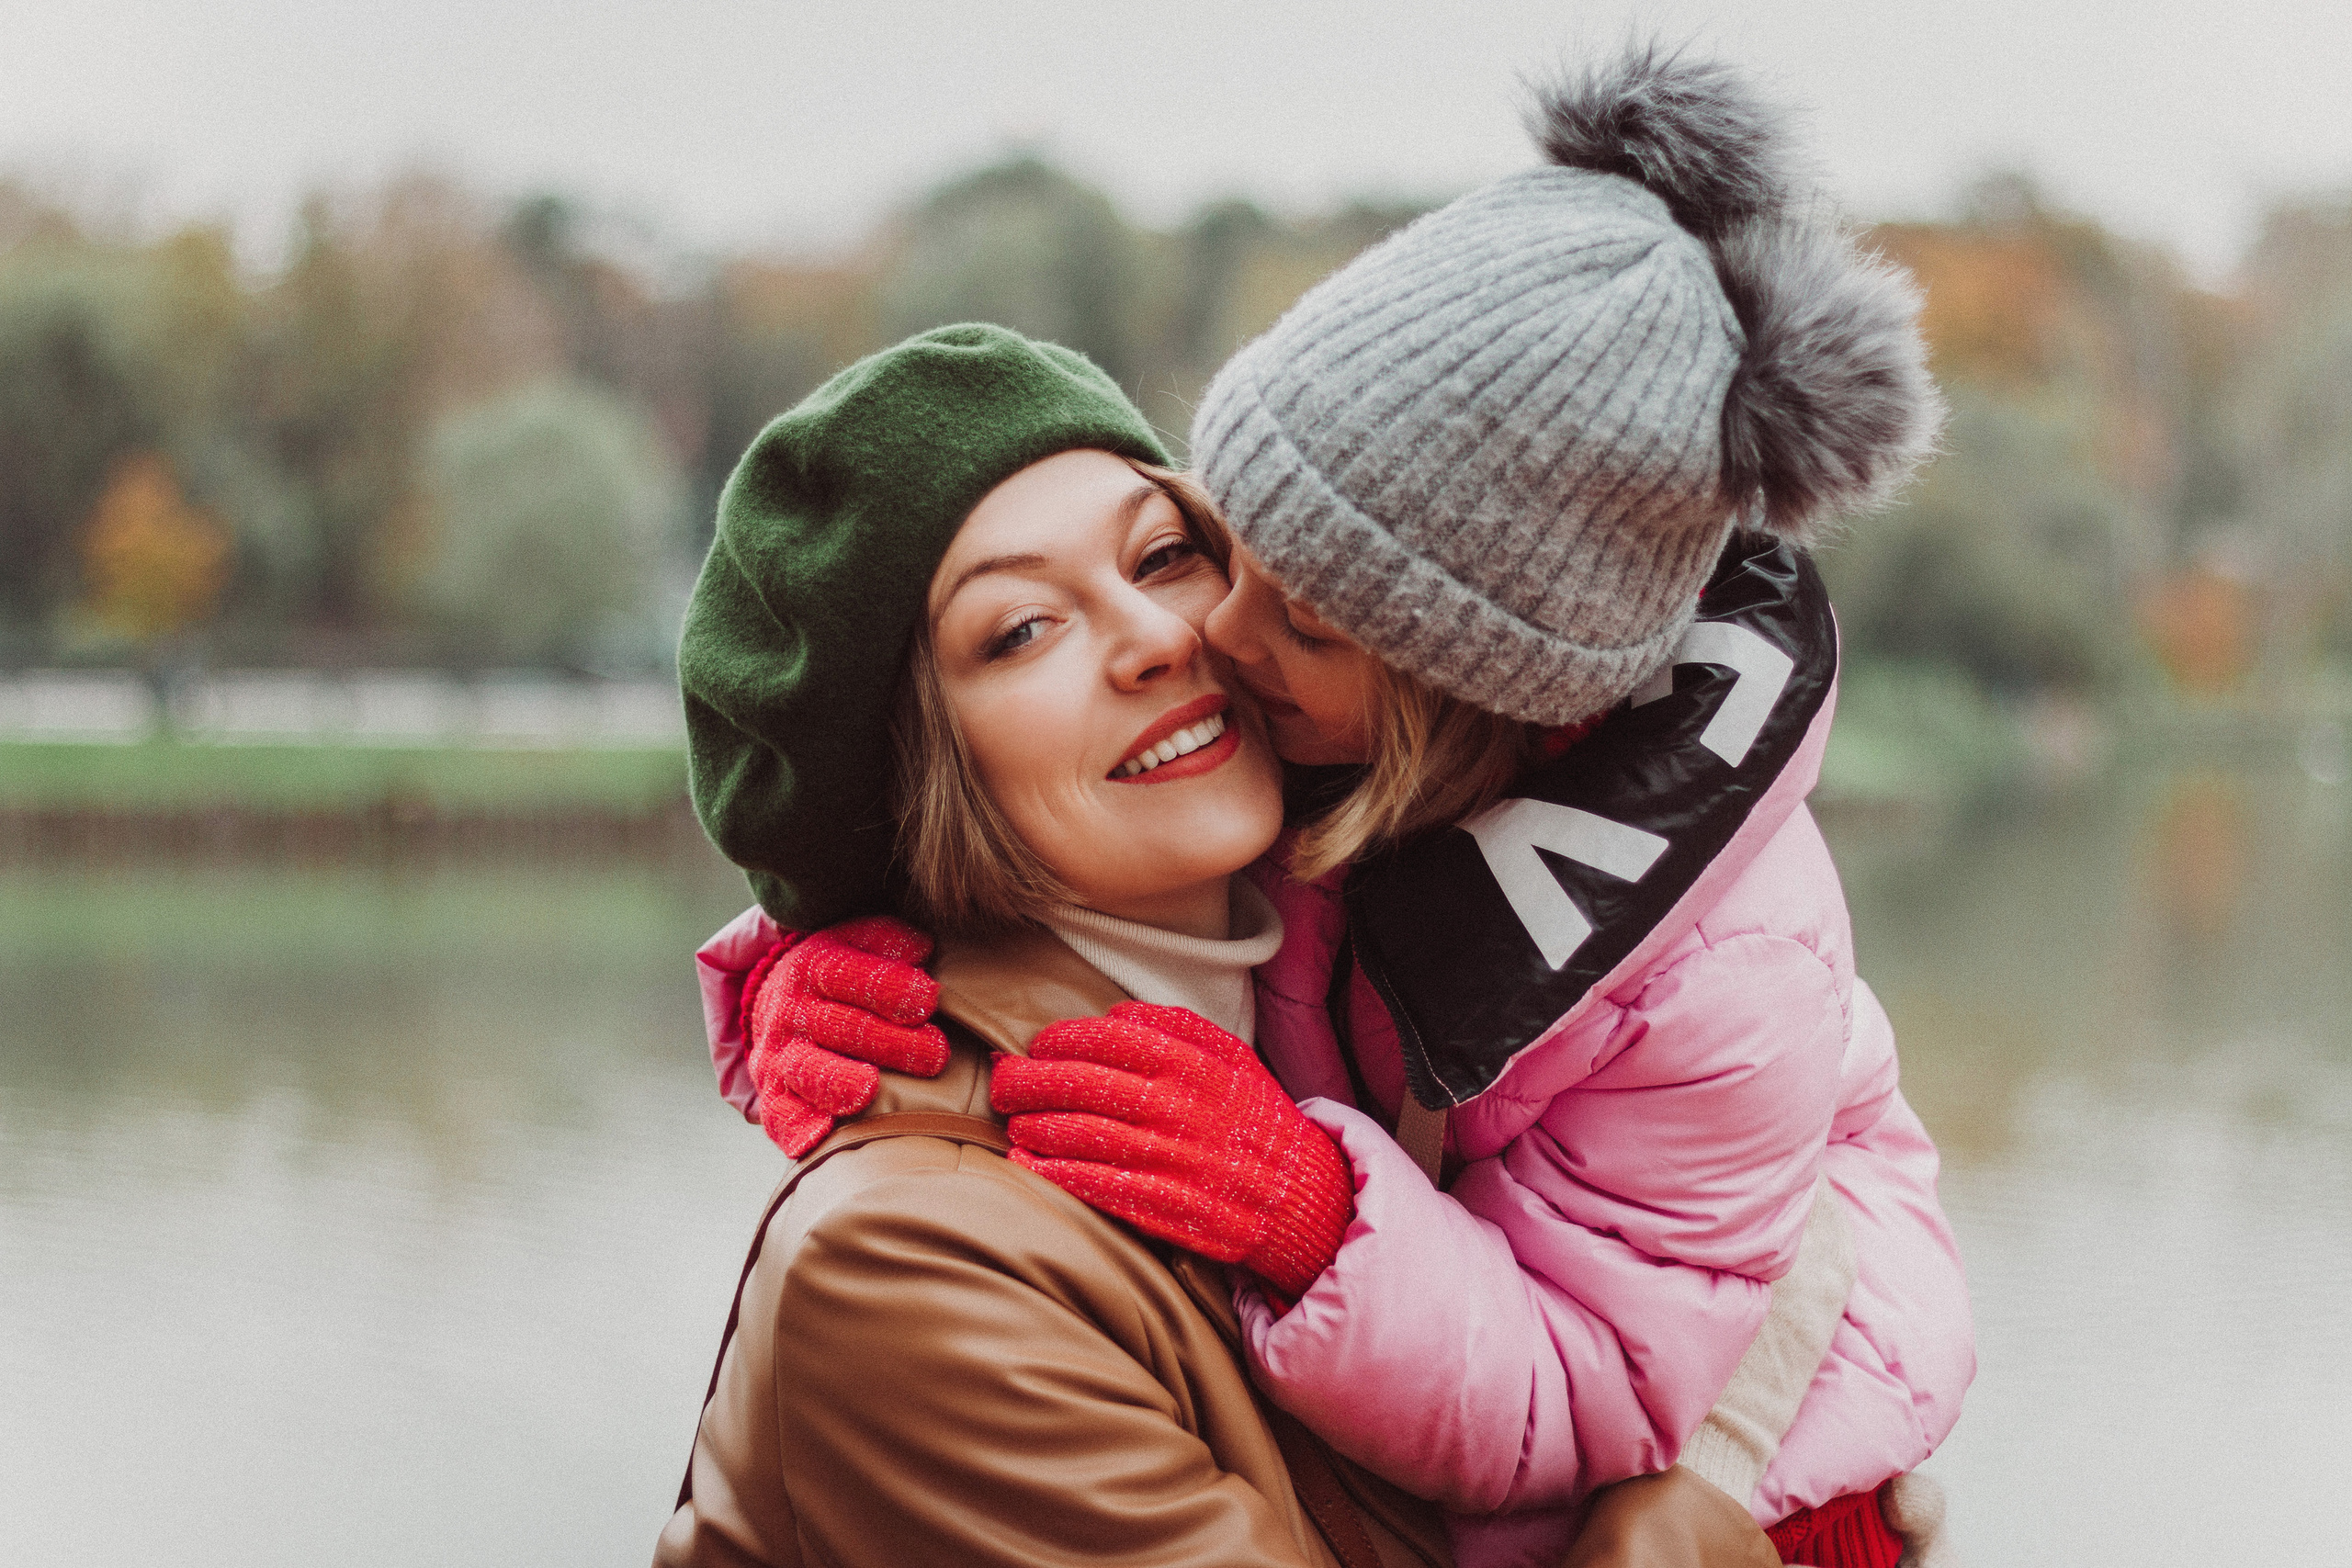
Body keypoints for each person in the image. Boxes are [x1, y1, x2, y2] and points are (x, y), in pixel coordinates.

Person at [707, 47, 1971, 1568]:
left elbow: (1606, 1383)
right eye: (1022, 626)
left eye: (1164, 557)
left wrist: (1315, 1210)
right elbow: (891, 821)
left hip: (1744, 1440)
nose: (1204, 639)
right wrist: (793, 957)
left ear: (1460, 685)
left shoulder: (1714, 979)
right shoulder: (1333, 733)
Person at [660, 322, 1794, 1568]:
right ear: (907, 776)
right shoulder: (904, 1267)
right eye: (1023, 629)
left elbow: (1787, 1157)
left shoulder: (1415, 923)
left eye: (1165, 554)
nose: (1159, 635)